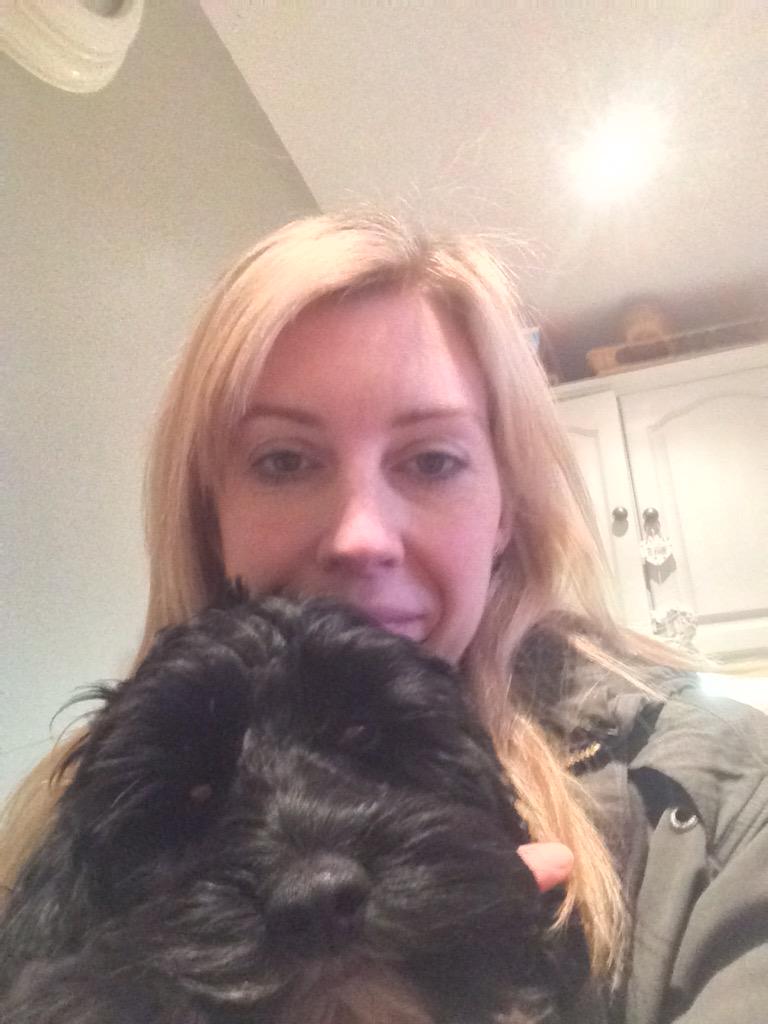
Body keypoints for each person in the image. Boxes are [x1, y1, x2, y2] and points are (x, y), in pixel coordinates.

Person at [2, 212, 767, 1022]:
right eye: (284, 461)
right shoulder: (54, 847)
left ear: (506, 509)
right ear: (209, 513)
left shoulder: (720, 809)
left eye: (432, 460)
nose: (360, 537)